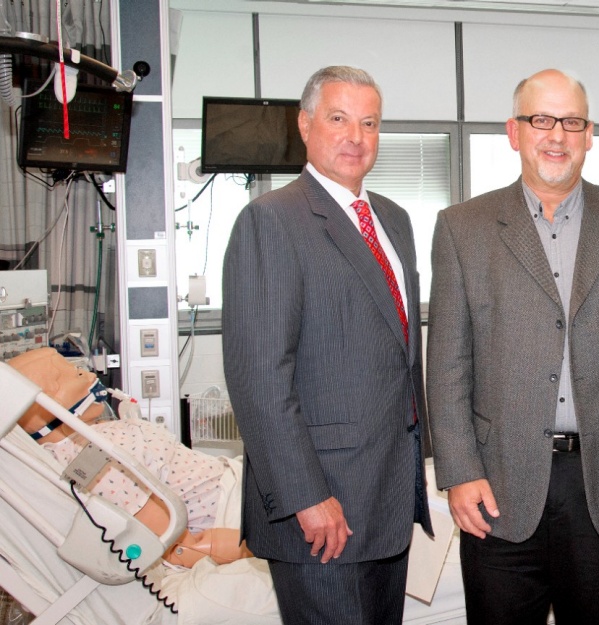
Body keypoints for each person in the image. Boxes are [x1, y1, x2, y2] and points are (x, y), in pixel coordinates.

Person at [426, 68, 599, 625]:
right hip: (497, 483)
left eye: (571, 122)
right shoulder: (462, 228)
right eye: (540, 120)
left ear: (590, 134)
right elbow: (447, 362)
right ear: (514, 131)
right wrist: (458, 469)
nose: (556, 136)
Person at [222, 65, 432, 625]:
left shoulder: (394, 219)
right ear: (306, 124)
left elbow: (399, 353)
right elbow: (260, 378)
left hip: (387, 496)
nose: (356, 137)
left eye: (369, 123)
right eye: (339, 119)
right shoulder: (271, 221)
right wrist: (305, 497)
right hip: (322, 505)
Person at [8, 347, 252, 567]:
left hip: (240, 484)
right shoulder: (88, 462)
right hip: (235, 507)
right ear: (43, 407)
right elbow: (178, 547)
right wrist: (267, 545)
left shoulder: (90, 439)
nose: (92, 377)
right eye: (75, 375)